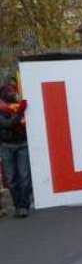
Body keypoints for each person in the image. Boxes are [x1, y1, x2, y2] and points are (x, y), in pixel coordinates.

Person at [0, 83, 32, 218]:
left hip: (22, 144)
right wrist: (20, 112)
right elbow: (7, 124)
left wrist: (21, 110)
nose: (12, 94)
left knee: (24, 177)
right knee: (12, 179)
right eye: (9, 92)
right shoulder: (2, 109)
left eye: (13, 91)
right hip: (7, 146)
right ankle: (17, 204)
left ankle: (24, 206)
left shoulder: (21, 105)